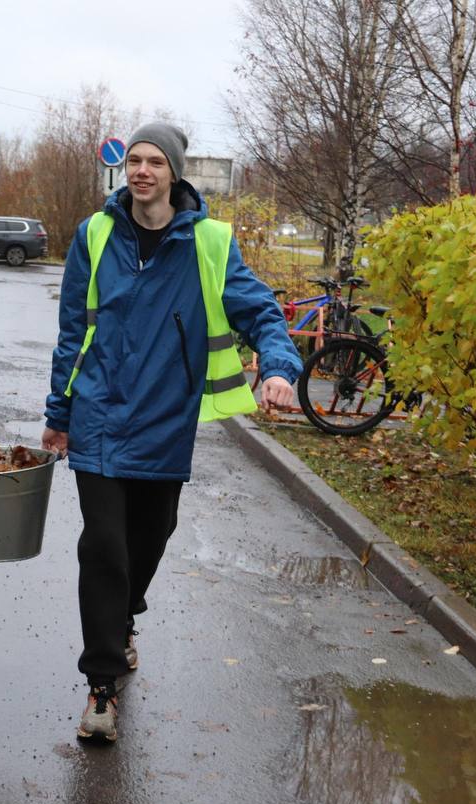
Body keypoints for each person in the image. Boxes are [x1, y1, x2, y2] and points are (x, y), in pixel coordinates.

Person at [42, 123, 301, 743]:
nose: (142, 170)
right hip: (99, 414)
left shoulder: (208, 243)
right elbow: (72, 329)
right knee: (102, 548)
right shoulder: (95, 234)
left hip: (166, 418)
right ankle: (101, 687)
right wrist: (59, 413)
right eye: (134, 159)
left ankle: (126, 616)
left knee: (152, 535)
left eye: (155, 161)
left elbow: (261, 312)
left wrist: (279, 369)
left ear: (174, 174)